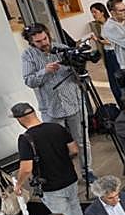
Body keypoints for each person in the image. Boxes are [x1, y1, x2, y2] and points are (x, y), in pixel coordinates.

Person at [19, 22, 91, 175]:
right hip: (50, 108)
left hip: (74, 102)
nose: (44, 43)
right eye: (38, 41)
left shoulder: (62, 49)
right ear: (31, 41)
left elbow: (79, 75)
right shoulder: (28, 56)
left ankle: (87, 171)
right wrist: (44, 71)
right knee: (56, 145)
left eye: (45, 39)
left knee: (82, 140)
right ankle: (66, 173)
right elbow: (29, 81)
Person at [12, 101, 85, 215]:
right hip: (70, 178)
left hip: (51, 186)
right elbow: (74, 150)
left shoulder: (25, 139)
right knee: (76, 211)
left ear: (19, 120)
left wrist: (18, 184)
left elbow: (26, 168)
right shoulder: (56, 127)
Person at [88, 1, 125, 105]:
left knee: (119, 82)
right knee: (113, 83)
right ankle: (122, 105)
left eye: (95, 12)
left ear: (102, 12)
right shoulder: (100, 25)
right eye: (92, 12)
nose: (93, 15)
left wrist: (98, 40)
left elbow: (113, 41)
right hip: (108, 54)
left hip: (114, 55)